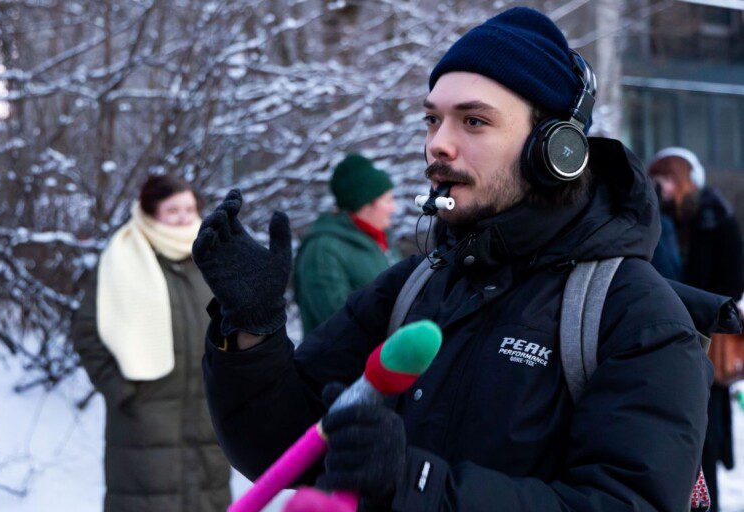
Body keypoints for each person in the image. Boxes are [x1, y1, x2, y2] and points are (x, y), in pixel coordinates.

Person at [193, 8, 713, 511]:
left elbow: (623, 502)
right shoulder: (415, 287)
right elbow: (282, 450)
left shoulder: (634, 316)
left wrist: (412, 482)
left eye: (474, 121)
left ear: (556, 151)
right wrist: (252, 336)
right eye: (432, 119)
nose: (438, 145)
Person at [71, 175, 231, 512]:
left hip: (208, 415)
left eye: (189, 208)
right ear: (150, 213)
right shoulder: (122, 258)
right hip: (144, 419)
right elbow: (88, 333)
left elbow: (236, 323)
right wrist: (121, 390)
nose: (185, 217)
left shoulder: (213, 257)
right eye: (173, 210)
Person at [649, 147, 744, 510]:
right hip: (670, 340)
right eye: (657, 179)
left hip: (707, 341)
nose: (663, 187)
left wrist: (698, 303)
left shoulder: (716, 219)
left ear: (686, 180)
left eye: (669, 178)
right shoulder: (657, 221)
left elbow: (733, 285)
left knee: (704, 441)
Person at [295, 154, 401, 335]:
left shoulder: (379, 241)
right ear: (366, 204)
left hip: (388, 358)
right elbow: (336, 322)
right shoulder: (323, 249)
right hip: (341, 362)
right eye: (388, 200)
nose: (394, 208)